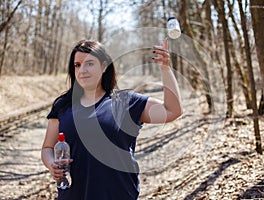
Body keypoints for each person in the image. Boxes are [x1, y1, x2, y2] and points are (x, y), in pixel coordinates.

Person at [41, 37, 182, 200]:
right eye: (77, 65)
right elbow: (47, 148)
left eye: (89, 63)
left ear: (104, 66)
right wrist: (51, 164)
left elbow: (173, 110)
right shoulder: (63, 105)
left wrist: (165, 69)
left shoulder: (126, 102)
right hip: (73, 194)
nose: (82, 70)